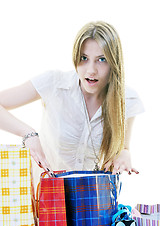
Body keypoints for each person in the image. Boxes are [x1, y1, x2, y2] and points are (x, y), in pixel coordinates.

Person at [0, 21, 144, 187]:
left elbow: (123, 148)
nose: (91, 70)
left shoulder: (127, 99)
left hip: (91, 201)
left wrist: (124, 155)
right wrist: (29, 134)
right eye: (84, 58)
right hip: (47, 199)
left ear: (114, 63)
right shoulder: (54, 83)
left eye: (101, 59)